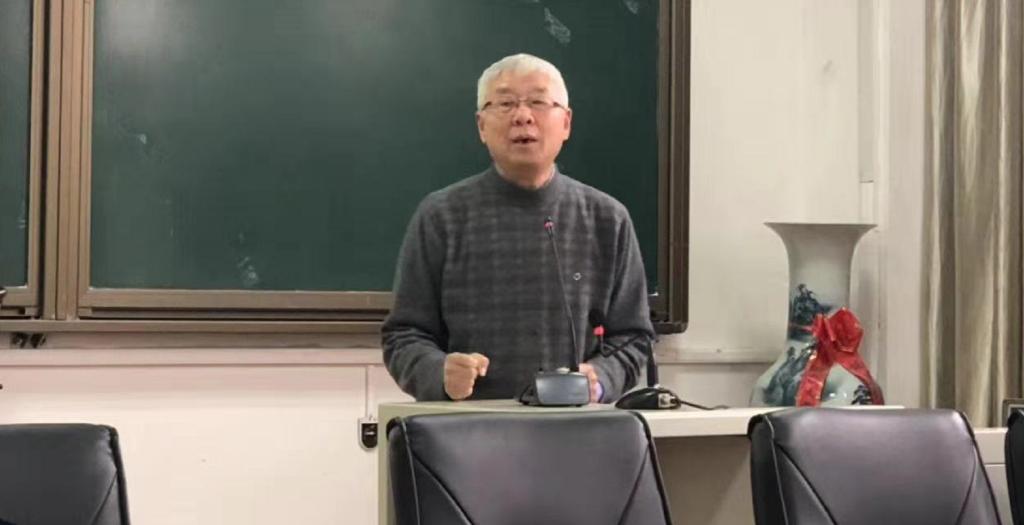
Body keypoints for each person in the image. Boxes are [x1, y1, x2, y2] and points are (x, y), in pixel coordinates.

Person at [381, 53, 654, 402]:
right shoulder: (441, 216)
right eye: (505, 103)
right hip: (468, 426)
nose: (522, 116)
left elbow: (634, 337)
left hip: (575, 425)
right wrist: (439, 373)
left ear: (566, 122)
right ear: (481, 126)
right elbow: (404, 335)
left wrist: (600, 380)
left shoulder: (607, 219)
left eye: (538, 102)